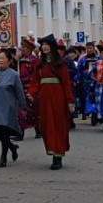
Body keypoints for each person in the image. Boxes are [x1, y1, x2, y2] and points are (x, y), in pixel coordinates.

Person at [27, 34, 76, 170]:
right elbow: (35, 81)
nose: (44, 47)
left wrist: (70, 101)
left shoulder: (60, 63)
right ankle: (52, 149)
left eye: (47, 45)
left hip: (58, 96)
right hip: (45, 98)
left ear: (52, 47)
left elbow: (66, 83)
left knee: (58, 124)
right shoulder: (39, 63)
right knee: (46, 124)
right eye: (42, 45)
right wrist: (31, 93)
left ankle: (58, 155)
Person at [0, 48, 25, 167]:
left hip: (8, 107)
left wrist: (23, 107)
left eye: (3, 58)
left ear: (9, 61)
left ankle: (3, 157)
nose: (0, 60)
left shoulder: (14, 75)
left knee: (4, 131)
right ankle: (12, 147)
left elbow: (19, 92)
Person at [17, 38, 40, 138]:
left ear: (29, 49)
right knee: (20, 111)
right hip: (20, 88)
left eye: (24, 47)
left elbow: (35, 75)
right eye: (22, 47)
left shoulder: (34, 61)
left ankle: (38, 130)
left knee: (33, 111)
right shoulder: (19, 60)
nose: (22, 49)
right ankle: (20, 133)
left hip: (30, 88)